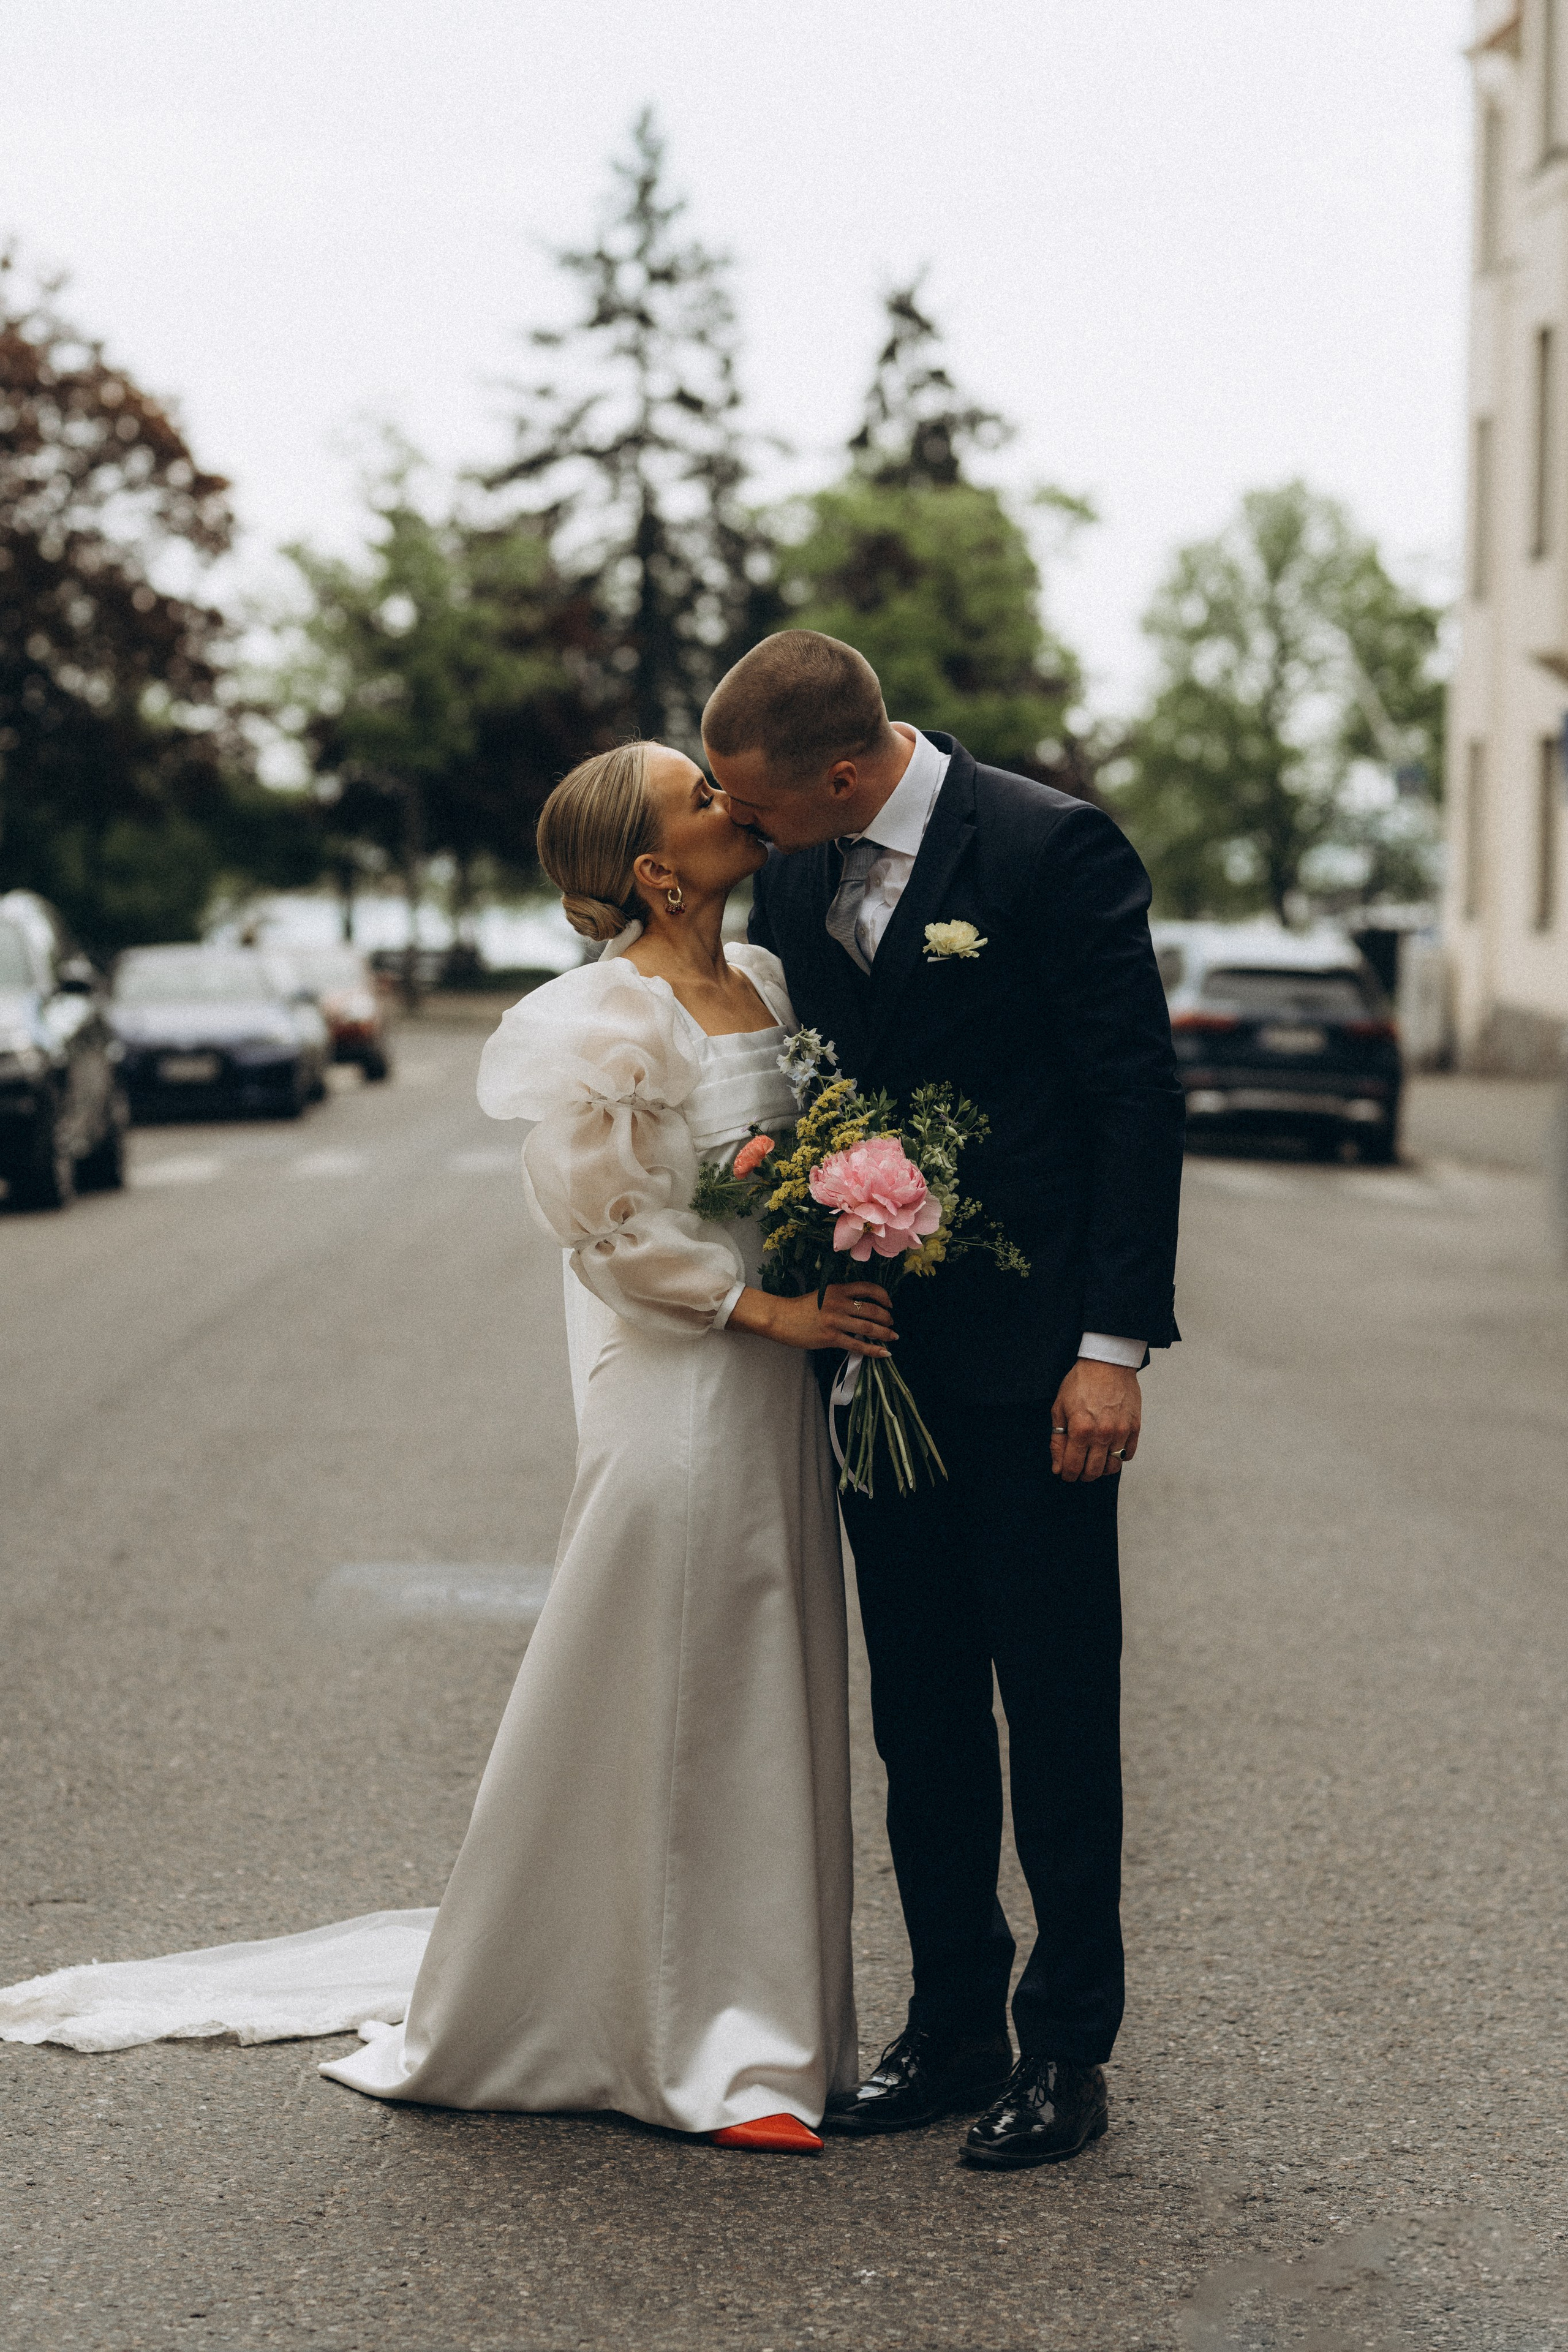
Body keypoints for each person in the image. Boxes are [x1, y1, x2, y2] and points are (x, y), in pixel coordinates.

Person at [0, 741, 883, 2157]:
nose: (732, 804)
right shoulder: (602, 1017)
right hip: (686, 1380)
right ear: (653, 870)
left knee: (761, 1669)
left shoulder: (770, 983)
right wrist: (774, 1305)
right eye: (698, 798)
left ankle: (758, 2015)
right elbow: (604, 1230)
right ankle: (697, 2045)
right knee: (676, 1663)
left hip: (779, 1390)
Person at [704, 630, 1184, 2169]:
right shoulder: (792, 874)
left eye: (753, 804)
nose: (739, 831)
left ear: (842, 776)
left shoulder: (1050, 851)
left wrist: (1110, 1346)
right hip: (876, 1362)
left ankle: (1066, 2049)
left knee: (1052, 1709)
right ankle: (955, 2023)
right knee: (917, 1713)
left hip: (1040, 1367)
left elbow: (1131, 1096)